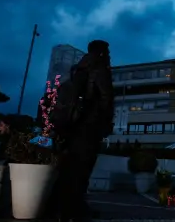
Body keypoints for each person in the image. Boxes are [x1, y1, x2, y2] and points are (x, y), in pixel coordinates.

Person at [56, 40, 114, 222]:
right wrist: (106, 125)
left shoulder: (78, 68)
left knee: (71, 167)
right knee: (83, 169)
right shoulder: (99, 69)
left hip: (74, 125)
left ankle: (64, 208)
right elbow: (106, 98)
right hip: (90, 126)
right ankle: (76, 208)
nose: (109, 55)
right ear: (102, 52)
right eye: (107, 51)